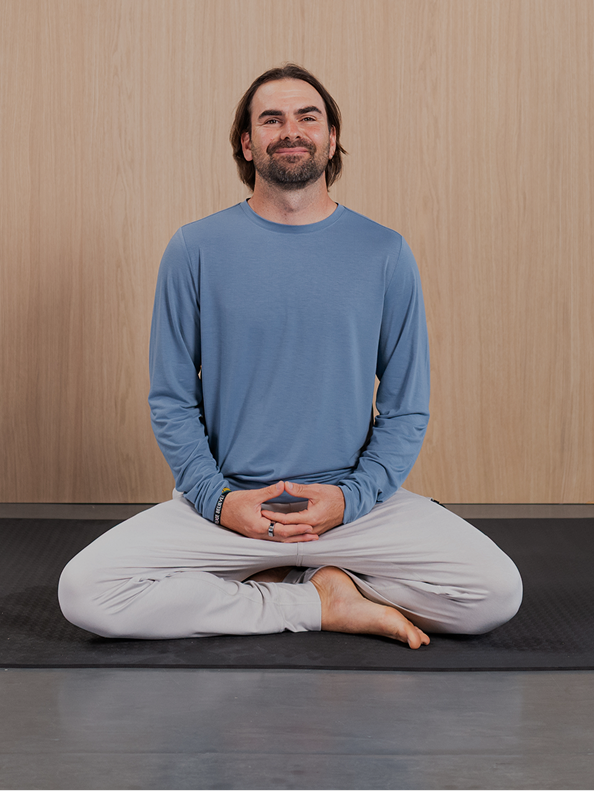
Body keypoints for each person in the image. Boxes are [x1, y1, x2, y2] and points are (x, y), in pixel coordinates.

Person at [58, 64, 522, 649]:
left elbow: (406, 409)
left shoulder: (385, 252)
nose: (291, 130)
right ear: (248, 144)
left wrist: (352, 498)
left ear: (330, 138)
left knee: (495, 594)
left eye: (308, 117)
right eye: (270, 118)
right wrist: (219, 501)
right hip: (233, 506)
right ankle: (317, 600)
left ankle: (302, 578)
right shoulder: (193, 249)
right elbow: (173, 400)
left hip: (352, 506)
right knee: (85, 592)